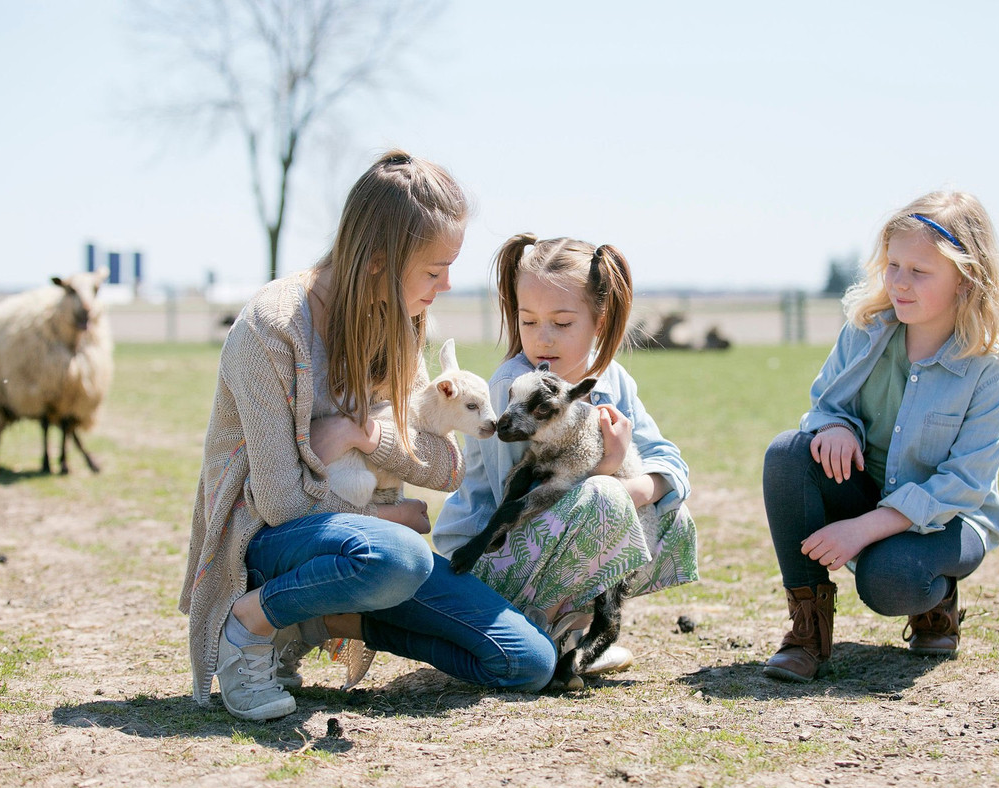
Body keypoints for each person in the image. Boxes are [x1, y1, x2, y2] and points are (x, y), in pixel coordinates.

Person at [179, 151, 556, 721]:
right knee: (399, 555)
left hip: (369, 555)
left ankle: (323, 619)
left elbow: (440, 465)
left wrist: (362, 432)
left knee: (526, 660)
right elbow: (281, 503)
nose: (446, 285)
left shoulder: (397, 323)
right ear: (380, 260)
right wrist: (390, 519)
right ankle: (249, 623)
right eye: (434, 271)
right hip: (269, 545)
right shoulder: (270, 330)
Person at [761, 191, 999, 683]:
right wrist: (836, 426)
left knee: (888, 581)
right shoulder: (865, 330)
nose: (899, 283)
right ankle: (807, 634)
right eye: (893, 265)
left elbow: (965, 484)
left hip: (950, 520)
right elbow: (824, 405)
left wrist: (864, 529)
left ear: (966, 280)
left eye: (919, 272)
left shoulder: (990, 371)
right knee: (788, 454)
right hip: (871, 488)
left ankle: (937, 600)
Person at [433, 234, 699, 680]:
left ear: (598, 322)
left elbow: (669, 461)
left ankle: (566, 629)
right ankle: (529, 628)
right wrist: (608, 472)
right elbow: (513, 502)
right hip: (489, 557)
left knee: (672, 516)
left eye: (562, 322)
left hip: (560, 536)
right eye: (529, 321)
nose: (543, 338)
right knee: (603, 499)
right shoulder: (512, 390)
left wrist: (636, 486)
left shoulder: (611, 380)